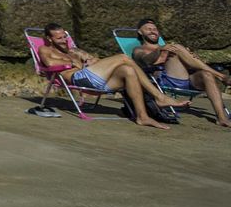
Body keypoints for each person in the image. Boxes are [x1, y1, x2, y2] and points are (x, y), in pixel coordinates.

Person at [36, 24, 189, 129]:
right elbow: (49, 63)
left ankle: (142, 117)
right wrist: (74, 62)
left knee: (127, 70)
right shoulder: (45, 49)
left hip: (93, 78)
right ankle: (159, 97)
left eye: (64, 37)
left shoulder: (74, 50)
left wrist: (92, 61)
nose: (64, 40)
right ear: (49, 39)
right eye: (59, 38)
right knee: (123, 57)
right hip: (77, 77)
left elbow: (96, 61)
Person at [130, 17, 231, 127]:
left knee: (206, 74)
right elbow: (146, 60)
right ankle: (221, 76)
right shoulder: (139, 49)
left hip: (187, 78)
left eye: (155, 29)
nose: (153, 31)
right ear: (140, 32)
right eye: (148, 29)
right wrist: (160, 50)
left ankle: (221, 118)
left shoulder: (169, 47)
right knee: (177, 48)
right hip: (164, 80)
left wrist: (188, 57)